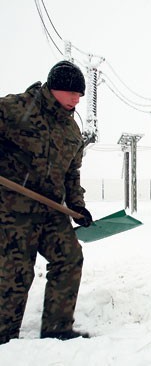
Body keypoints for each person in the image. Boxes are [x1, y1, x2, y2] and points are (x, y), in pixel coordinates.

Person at [0, 61, 93, 345]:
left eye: (80, 94)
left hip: (51, 210)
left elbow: (71, 172)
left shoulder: (71, 130)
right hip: (13, 209)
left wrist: (77, 205)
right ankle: (4, 336)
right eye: (72, 93)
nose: (77, 99)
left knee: (69, 257)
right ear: (55, 88)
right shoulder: (17, 109)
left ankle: (57, 328)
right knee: (16, 271)